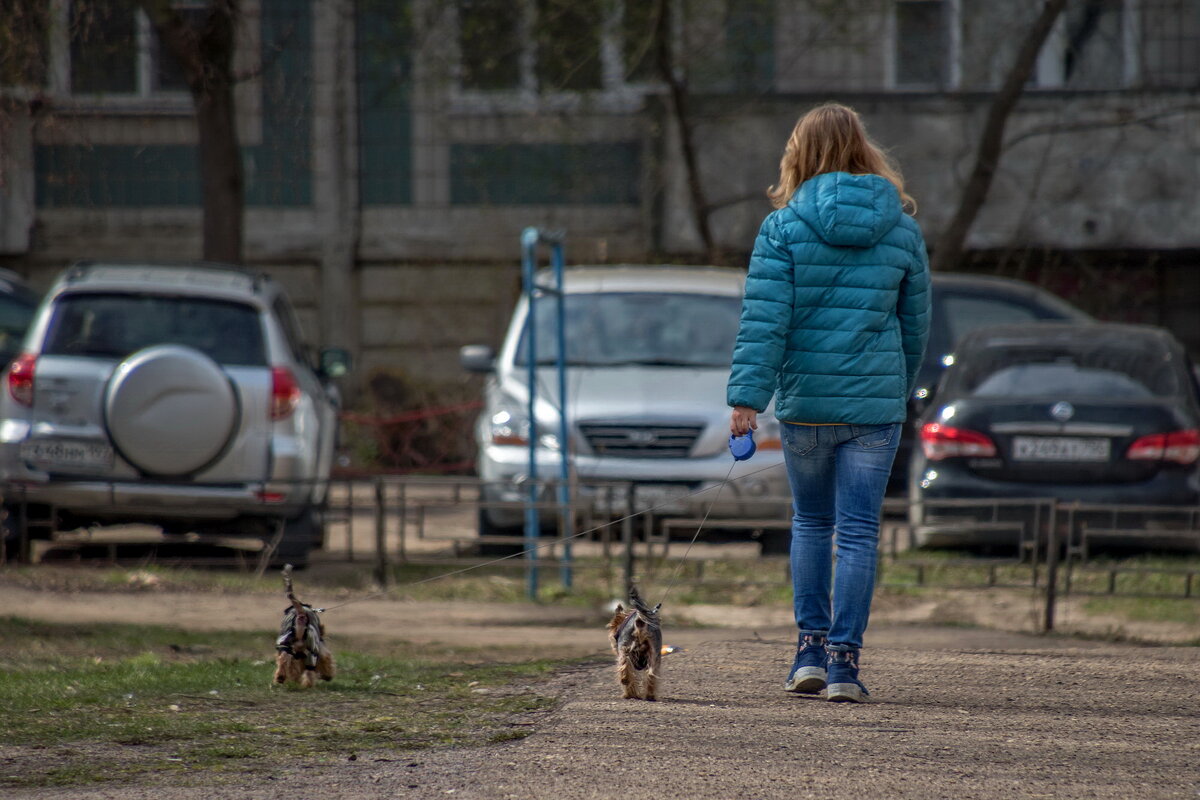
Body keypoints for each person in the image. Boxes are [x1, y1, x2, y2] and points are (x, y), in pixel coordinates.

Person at [727, 103, 931, 703]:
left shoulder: (783, 228)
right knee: (861, 533)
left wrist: (746, 399)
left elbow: (765, 322)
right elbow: (915, 327)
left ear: (800, 152)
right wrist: (895, 389)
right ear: (864, 149)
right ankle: (845, 665)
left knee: (812, 524)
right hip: (875, 408)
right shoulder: (902, 229)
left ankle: (808, 653)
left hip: (807, 404)